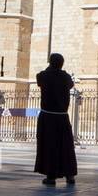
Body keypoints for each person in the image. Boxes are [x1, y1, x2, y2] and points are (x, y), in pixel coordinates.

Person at [34, 53, 77, 187]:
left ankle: (51, 176)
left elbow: (39, 78)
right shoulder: (66, 77)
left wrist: (50, 68)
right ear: (62, 63)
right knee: (66, 146)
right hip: (62, 117)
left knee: (48, 146)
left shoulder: (44, 76)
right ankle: (69, 175)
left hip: (48, 117)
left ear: (50, 63)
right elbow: (70, 84)